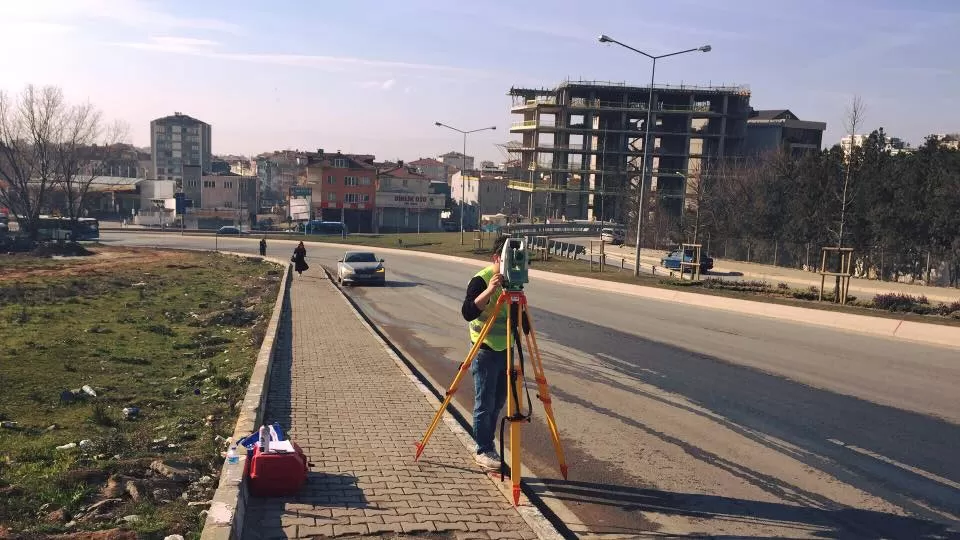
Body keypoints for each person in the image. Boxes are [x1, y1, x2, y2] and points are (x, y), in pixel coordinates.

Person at [461, 235, 511, 471]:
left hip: (507, 351)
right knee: (485, 403)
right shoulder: (481, 280)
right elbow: (468, 311)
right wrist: (491, 289)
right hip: (485, 349)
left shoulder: (514, 282)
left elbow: (518, 319)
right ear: (496, 258)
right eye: (507, 259)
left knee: (498, 401)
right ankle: (483, 448)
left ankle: (488, 443)